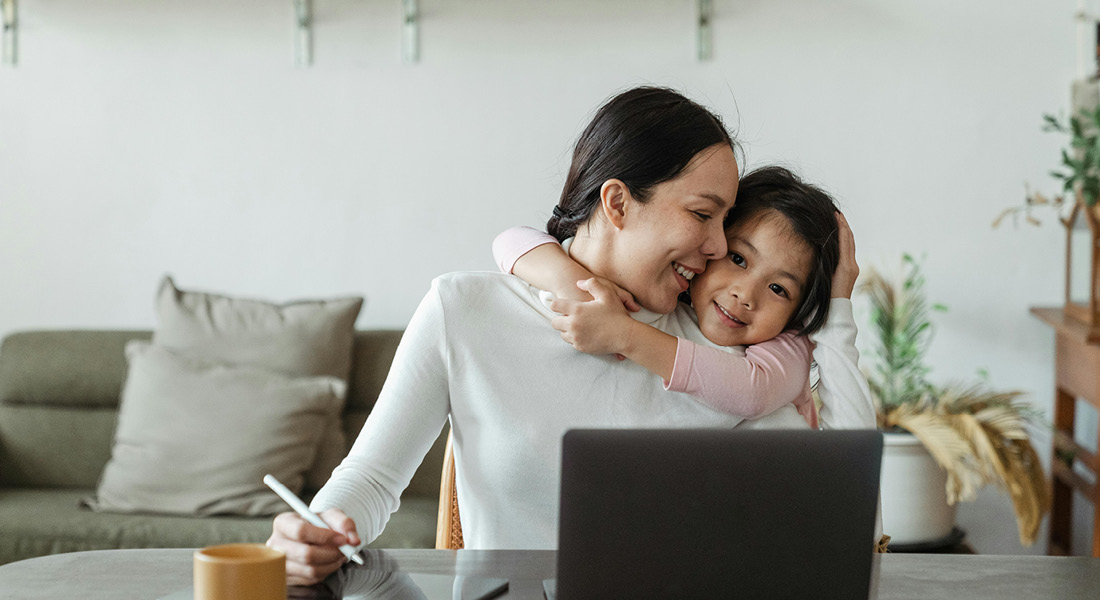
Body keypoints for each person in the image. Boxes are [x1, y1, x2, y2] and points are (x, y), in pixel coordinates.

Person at [266, 86, 876, 585]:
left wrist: (839, 309)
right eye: (701, 214)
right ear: (617, 203)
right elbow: (372, 480)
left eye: (725, 222)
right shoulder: (465, 311)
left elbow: (842, 515)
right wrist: (317, 527)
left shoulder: (726, 355)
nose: (718, 247)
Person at [491, 166, 853, 428]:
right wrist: (573, 282)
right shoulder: (671, 299)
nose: (745, 294)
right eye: (738, 259)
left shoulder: (789, 345)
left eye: (779, 289)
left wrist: (624, 335)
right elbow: (510, 240)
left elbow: (753, 391)